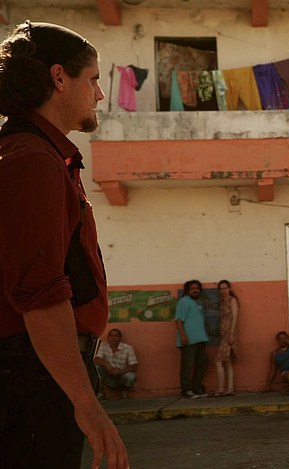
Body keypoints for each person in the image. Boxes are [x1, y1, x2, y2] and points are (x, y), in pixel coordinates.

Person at [0, 21, 129, 468]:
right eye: (92, 79)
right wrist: (86, 403)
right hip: (29, 375)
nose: (99, 93)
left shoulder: (36, 154)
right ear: (59, 77)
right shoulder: (32, 160)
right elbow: (40, 295)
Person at [175, 279, 209, 399]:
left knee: (203, 363)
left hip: (200, 339)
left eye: (197, 288)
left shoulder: (198, 302)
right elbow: (178, 320)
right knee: (187, 365)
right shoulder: (183, 301)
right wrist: (183, 336)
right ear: (187, 290)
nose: (195, 290)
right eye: (192, 288)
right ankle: (186, 390)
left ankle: (195, 388)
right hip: (189, 340)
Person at [94, 328, 138, 400]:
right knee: (96, 368)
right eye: (111, 336)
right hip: (108, 375)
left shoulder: (128, 348)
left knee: (130, 376)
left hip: (121, 376)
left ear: (120, 338)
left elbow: (134, 366)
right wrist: (109, 368)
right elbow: (97, 359)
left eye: (116, 336)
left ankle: (124, 392)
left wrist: (120, 371)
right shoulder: (103, 346)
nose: (113, 338)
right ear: (108, 338)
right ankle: (100, 392)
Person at [212, 279, 238, 397]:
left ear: (229, 288)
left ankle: (221, 388)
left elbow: (235, 317)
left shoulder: (232, 300)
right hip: (223, 333)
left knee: (218, 360)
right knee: (227, 361)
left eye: (225, 288)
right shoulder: (222, 302)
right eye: (221, 289)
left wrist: (231, 334)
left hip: (229, 332)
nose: (223, 290)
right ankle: (230, 388)